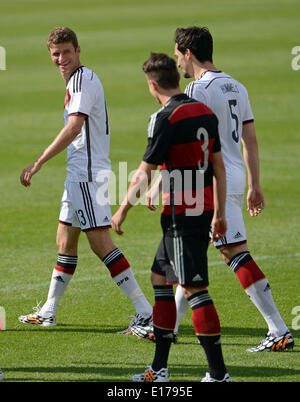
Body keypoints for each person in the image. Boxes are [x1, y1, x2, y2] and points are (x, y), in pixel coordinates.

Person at [18, 27, 152, 334]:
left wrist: (39, 161)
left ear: (79, 51)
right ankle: (49, 310)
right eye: (56, 54)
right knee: (65, 240)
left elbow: (74, 127)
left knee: (101, 243)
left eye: (67, 52)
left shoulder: (82, 80)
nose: (61, 58)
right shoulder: (78, 80)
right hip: (78, 176)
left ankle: (144, 311)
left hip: (88, 178)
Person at [170, 26, 294, 352]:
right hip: (236, 177)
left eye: (178, 55)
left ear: (189, 53)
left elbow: (197, 146)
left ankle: (278, 328)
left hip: (214, 180)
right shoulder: (236, 85)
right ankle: (166, 328)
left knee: (231, 251)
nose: (178, 63)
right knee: (192, 252)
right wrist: (255, 183)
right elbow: (249, 139)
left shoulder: (197, 89)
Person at [112, 52, 230, 382]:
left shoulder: (166, 117)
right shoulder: (204, 111)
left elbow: (144, 171)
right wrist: (219, 212)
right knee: (160, 279)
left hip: (183, 213)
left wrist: (122, 209)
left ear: (152, 85)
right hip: (201, 207)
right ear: (176, 79)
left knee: (194, 290)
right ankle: (159, 369)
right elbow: (218, 167)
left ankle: (218, 375)